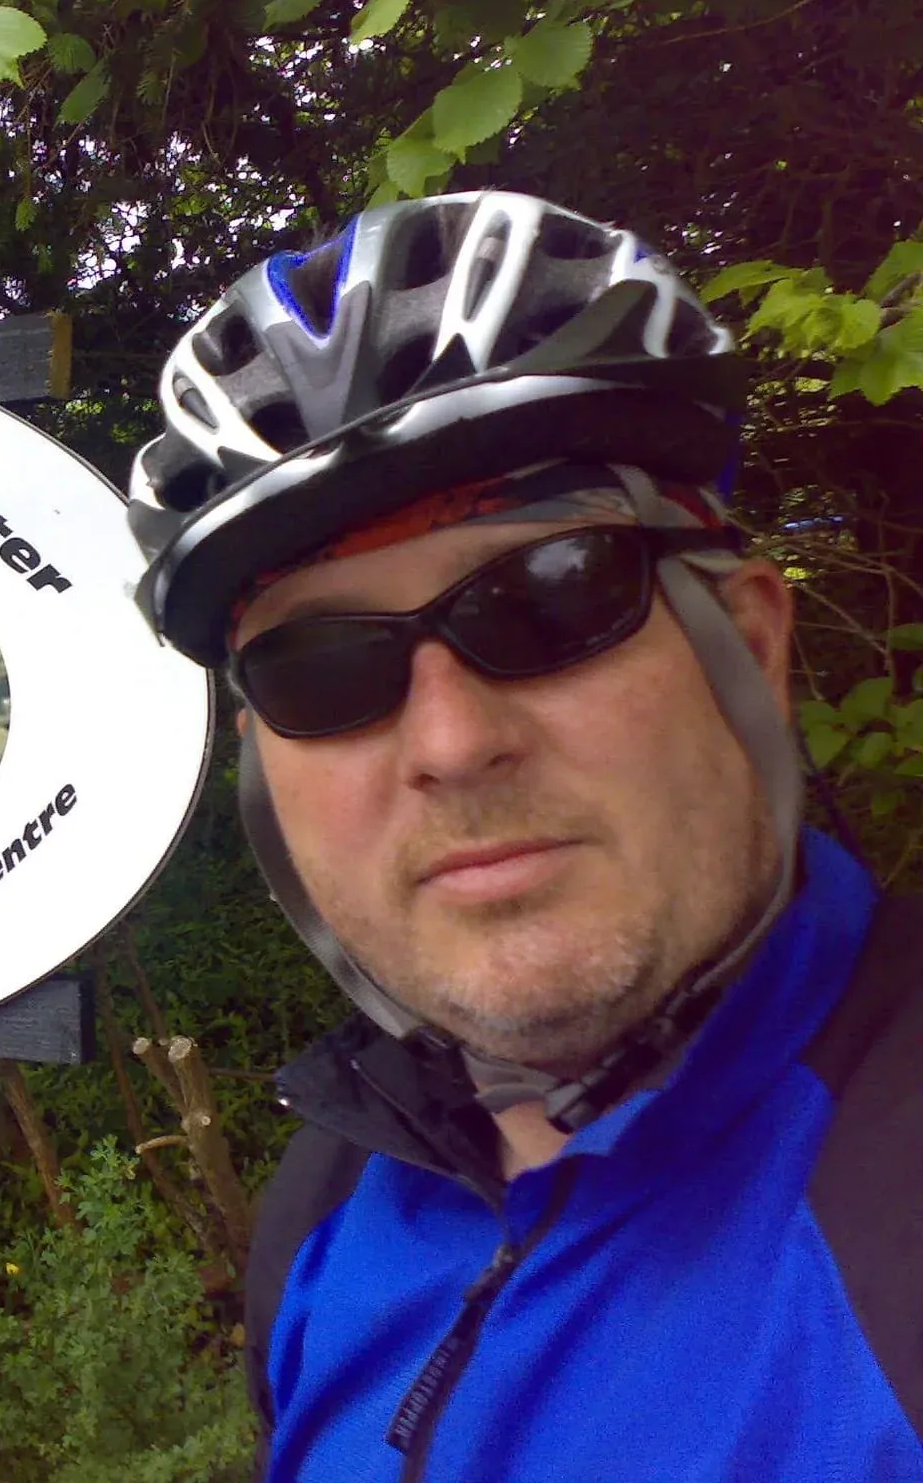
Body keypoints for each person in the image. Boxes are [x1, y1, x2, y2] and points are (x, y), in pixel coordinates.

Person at [125, 190, 923, 1481]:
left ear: (755, 647)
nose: (450, 741)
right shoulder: (338, 1203)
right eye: (322, 668)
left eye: (552, 597)